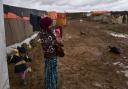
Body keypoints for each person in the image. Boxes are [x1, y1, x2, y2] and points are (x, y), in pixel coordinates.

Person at [39, 17, 58, 89]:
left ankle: (53, 85)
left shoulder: (47, 31)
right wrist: (55, 41)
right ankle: (51, 86)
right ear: (46, 24)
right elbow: (48, 46)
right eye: (50, 24)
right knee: (50, 73)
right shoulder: (43, 33)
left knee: (52, 71)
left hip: (52, 55)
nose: (51, 25)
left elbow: (55, 41)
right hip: (50, 56)